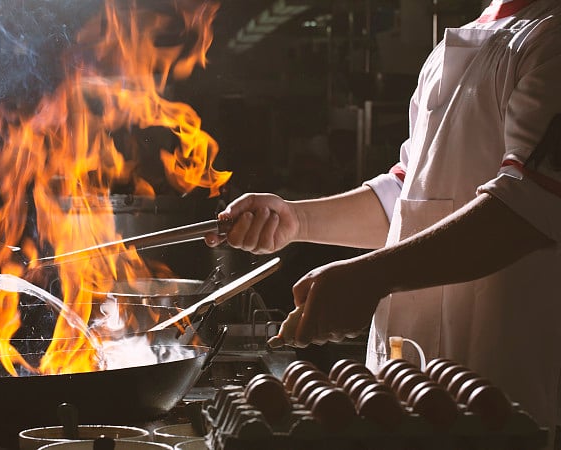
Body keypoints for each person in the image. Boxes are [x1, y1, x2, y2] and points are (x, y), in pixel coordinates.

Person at [206, 0, 561, 446]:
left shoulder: (550, 37)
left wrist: (373, 277)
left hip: (508, 389)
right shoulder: (461, 43)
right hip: (410, 392)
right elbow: (409, 200)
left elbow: (526, 209)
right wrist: (296, 219)